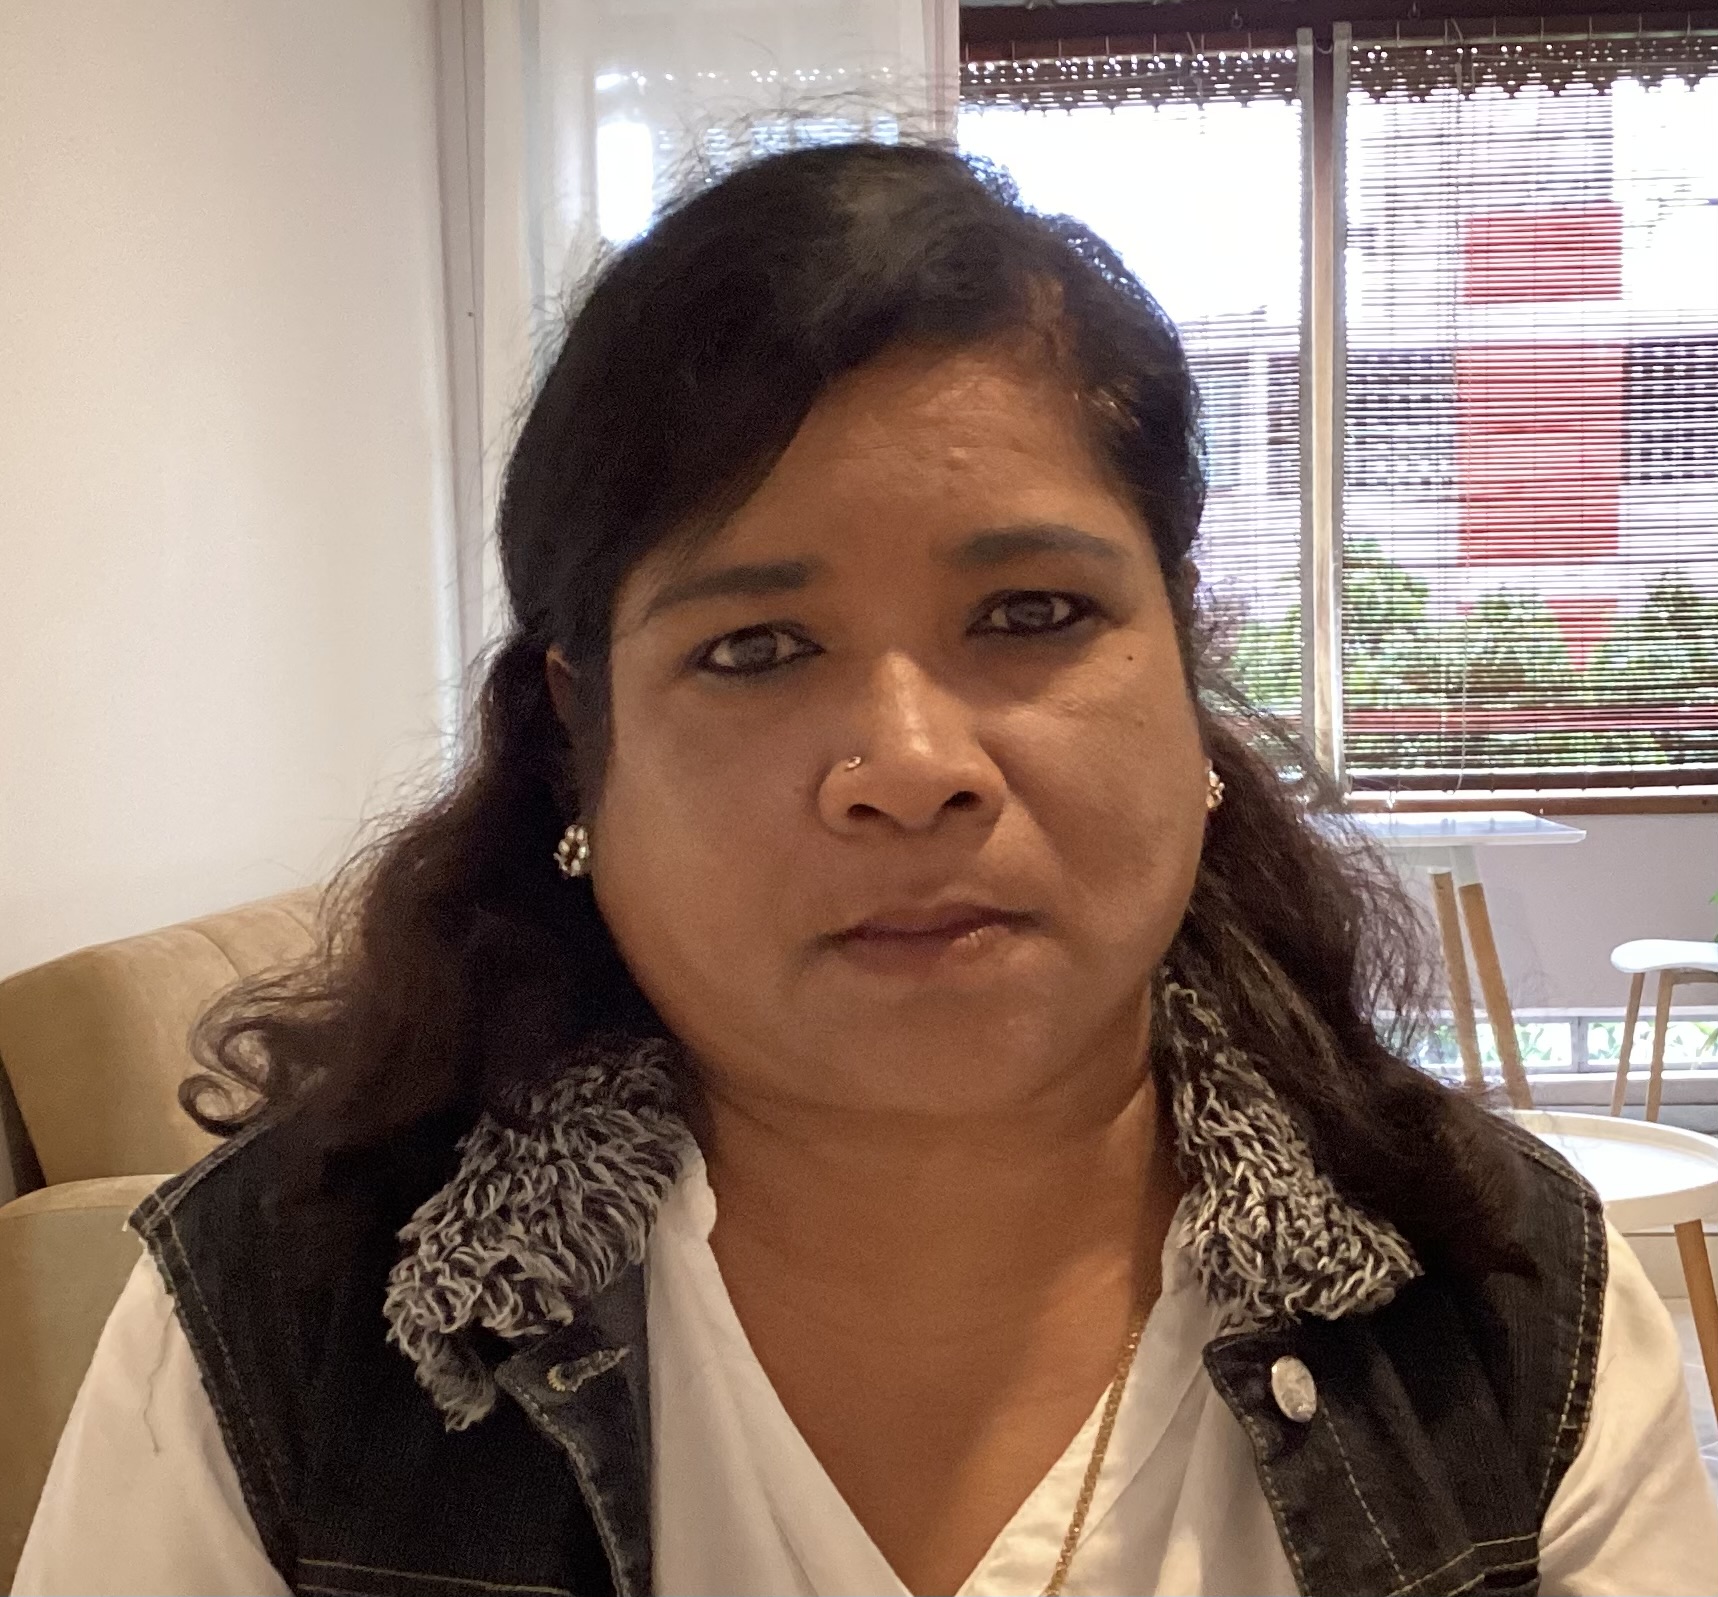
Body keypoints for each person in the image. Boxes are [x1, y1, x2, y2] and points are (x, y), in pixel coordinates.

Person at [15, 140, 1718, 1597]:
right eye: (755, 646)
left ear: (1185, 664)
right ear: (579, 740)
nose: (909, 764)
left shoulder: (1505, 1307)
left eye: (1031, 612)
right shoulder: (283, 1338)